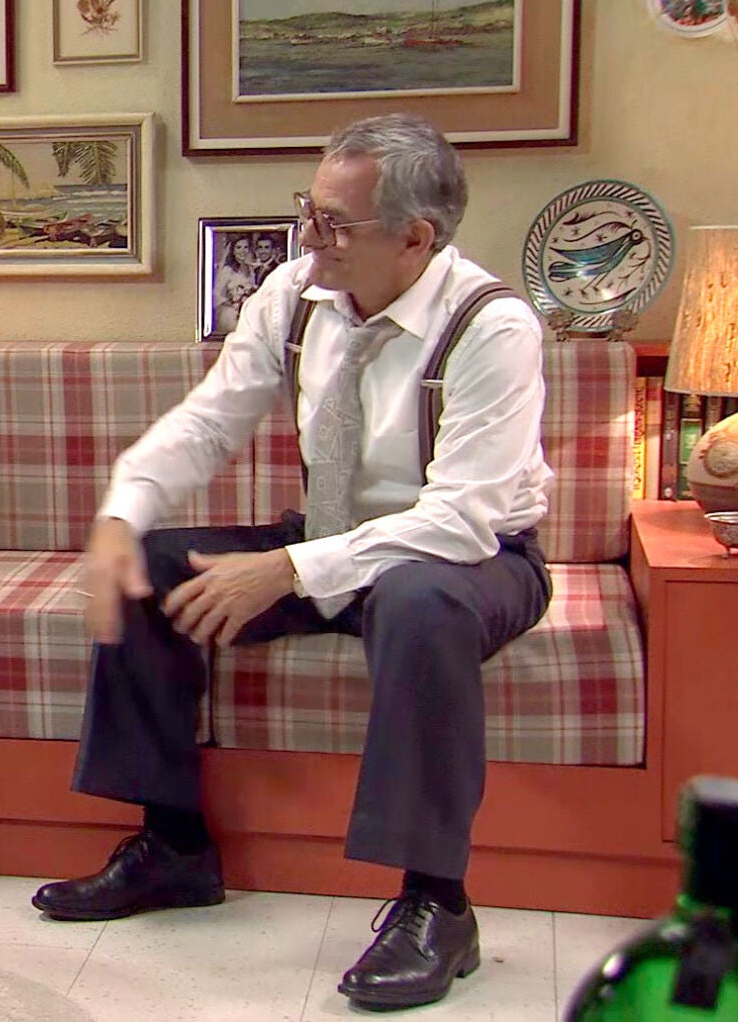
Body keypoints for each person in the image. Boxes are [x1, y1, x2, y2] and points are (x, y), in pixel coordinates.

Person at [31, 113, 553, 1012]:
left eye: (334, 223)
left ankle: (437, 904)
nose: (308, 236)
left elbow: (461, 519)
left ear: (417, 237)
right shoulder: (295, 292)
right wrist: (123, 510)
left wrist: (285, 569)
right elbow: (211, 419)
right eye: (307, 211)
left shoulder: (493, 326)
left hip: (477, 556)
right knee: (153, 564)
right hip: (335, 532)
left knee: (419, 601)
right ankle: (175, 847)